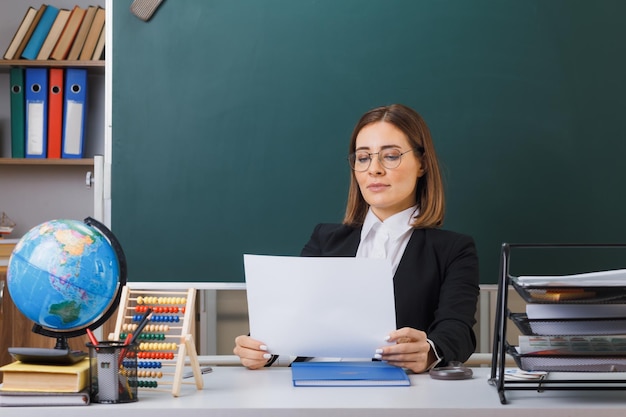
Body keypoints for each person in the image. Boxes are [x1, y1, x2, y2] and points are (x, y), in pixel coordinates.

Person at [234, 104, 479, 373]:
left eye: (391, 156)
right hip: (308, 388)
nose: (374, 169)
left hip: (397, 395)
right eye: (363, 158)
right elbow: (291, 320)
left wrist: (431, 351)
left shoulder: (453, 250)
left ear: (421, 163)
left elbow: (457, 330)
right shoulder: (325, 240)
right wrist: (260, 349)